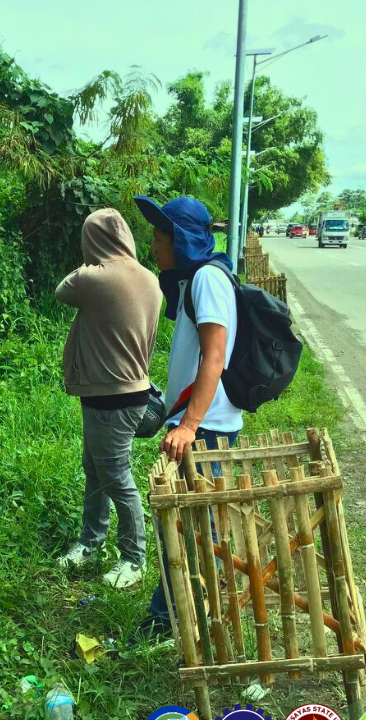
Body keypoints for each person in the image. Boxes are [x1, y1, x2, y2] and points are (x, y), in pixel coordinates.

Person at [130, 195, 244, 640]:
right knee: (181, 526)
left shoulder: (208, 281)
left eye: (160, 237)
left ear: (181, 240)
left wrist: (190, 425)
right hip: (200, 423)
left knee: (200, 531)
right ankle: (167, 616)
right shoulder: (196, 279)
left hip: (208, 428)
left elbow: (215, 357)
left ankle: (205, 624)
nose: (154, 245)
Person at [54, 208, 163, 588]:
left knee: (115, 476)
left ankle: (134, 559)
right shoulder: (150, 278)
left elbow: (61, 291)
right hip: (135, 391)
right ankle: (91, 541)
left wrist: (91, 260)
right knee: (96, 470)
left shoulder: (92, 278)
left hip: (108, 394)